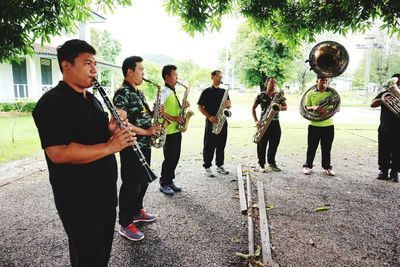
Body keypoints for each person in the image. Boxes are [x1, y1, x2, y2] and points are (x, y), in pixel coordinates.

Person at [32, 39, 135, 266]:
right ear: (66, 65)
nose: (94, 70)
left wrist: (112, 131)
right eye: (87, 63)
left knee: (98, 256)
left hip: (104, 194)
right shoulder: (52, 103)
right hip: (79, 199)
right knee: (90, 257)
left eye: (95, 64)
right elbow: (58, 152)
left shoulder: (92, 99)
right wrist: (111, 146)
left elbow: (94, 136)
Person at [113, 56, 159, 241]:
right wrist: (147, 132)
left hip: (144, 146)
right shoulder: (122, 93)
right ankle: (125, 223)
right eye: (141, 69)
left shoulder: (137, 92)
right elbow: (120, 123)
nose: (143, 73)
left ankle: (137, 211)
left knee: (143, 181)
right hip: (131, 146)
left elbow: (139, 116)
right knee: (131, 184)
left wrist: (153, 113)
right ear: (130, 71)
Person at [197, 70, 232, 177]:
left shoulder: (224, 91)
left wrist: (229, 105)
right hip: (211, 120)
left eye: (221, 77)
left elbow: (228, 107)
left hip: (222, 121)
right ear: (212, 77)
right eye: (218, 77)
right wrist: (209, 116)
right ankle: (207, 166)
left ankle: (219, 165)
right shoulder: (206, 91)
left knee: (221, 144)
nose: (220, 79)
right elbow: (200, 107)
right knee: (209, 145)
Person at [158, 65, 186, 195]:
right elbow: (159, 111)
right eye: (174, 75)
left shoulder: (172, 91)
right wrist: (175, 118)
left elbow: (172, 109)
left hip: (175, 130)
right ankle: (164, 183)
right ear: (167, 77)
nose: (177, 77)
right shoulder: (164, 92)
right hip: (168, 130)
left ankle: (170, 181)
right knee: (169, 158)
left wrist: (183, 107)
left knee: (175, 158)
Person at [302, 76, 337, 176]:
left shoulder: (331, 93)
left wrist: (327, 111)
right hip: (314, 125)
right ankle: (307, 166)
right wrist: (314, 108)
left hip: (328, 125)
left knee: (327, 148)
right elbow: (306, 107)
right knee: (311, 147)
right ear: (316, 81)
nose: (324, 82)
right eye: (322, 80)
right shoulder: (311, 93)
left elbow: (337, 108)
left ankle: (327, 167)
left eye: (326, 80)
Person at [252, 77, 287, 172]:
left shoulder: (278, 95)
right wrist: (256, 121)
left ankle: (271, 163)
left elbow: (285, 107)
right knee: (261, 144)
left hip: (275, 123)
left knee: (274, 143)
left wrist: (279, 107)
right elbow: (253, 108)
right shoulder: (261, 95)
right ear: (266, 83)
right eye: (271, 82)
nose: (273, 84)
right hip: (263, 122)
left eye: (275, 83)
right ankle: (261, 164)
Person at [370, 74, 400, 182]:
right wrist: (383, 100)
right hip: (385, 128)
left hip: (398, 130)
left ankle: (394, 173)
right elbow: (372, 104)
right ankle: (383, 171)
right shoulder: (385, 93)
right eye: (396, 82)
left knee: (397, 152)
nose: (397, 84)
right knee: (383, 151)